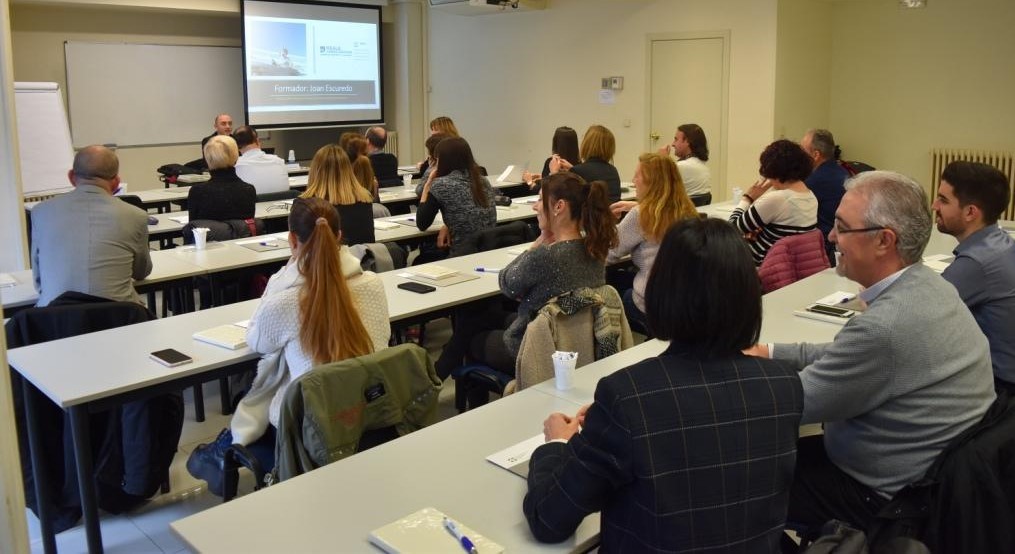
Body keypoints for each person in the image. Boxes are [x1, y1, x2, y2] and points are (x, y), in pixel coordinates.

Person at [524, 217, 804, 552]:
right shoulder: (784, 384)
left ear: (662, 291)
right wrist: (608, 425)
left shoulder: (628, 395)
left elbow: (549, 519)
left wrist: (558, 443)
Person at [747, 170, 995, 531]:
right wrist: (767, 351)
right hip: (926, 476)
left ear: (884, 240)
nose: (831, 236)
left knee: (743, 483)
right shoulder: (928, 286)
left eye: (842, 227)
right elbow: (843, 357)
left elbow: (791, 404)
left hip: (886, 498)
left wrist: (719, 387)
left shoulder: (885, 327)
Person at [187, 196, 390, 495]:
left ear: (292, 240)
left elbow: (257, 340)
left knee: (266, 379)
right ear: (339, 236)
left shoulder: (286, 300)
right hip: (368, 411)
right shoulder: (372, 283)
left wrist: (284, 275)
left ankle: (223, 447)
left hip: (308, 427)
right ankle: (223, 447)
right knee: (281, 367)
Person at [453, 172, 617, 376]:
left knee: (472, 338)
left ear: (559, 206)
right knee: (479, 319)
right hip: (578, 344)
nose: (535, 206)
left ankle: (448, 384)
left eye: (540, 200)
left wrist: (536, 244)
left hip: (535, 348)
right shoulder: (594, 249)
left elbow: (507, 283)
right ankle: (435, 374)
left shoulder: (546, 255)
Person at [30, 145, 152, 306]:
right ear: (116, 183)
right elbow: (141, 272)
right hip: (118, 315)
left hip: (55, 316)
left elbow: (38, 281)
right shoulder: (136, 215)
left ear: (71, 177)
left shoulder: (40, 212)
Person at [932, 160, 1015, 392]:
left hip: (999, 390)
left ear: (970, 212)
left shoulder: (976, 263)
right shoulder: (1001, 243)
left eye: (943, 200)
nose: (934, 205)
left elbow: (915, 314)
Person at [607, 152, 697, 331]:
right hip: (683, 303)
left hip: (650, 306)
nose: (633, 181)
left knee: (608, 282)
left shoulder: (641, 215)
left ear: (651, 182)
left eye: (637, 176)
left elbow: (608, 254)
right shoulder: (688, 210)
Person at [729, 139, 818, 265]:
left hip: (759, 264)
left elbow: (730, 231)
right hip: (789, 264)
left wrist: (748, 198)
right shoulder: (810, 196)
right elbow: (784, 230)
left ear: (773, 170)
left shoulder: (777, 199)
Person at [416, 136, 496, 257]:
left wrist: (428, 184)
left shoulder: (441, 185)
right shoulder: (482, 180)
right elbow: (470, 214)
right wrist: (447, 226)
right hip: (489, 251)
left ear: (443, 161)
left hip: (461, 255)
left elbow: (422, 223)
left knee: (420, 259)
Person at [301, 144, 375, 245]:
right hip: (361, 255)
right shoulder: (365, 198)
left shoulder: (304, 205)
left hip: (326, 255)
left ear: (314, 170)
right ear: (348, 169)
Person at [801, 128, 849, 260]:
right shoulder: (843, 173)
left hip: (824, 249)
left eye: (802, 150)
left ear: (816, 155)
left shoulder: (814, 181)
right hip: (843, 245)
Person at [187, 135, 256, 223]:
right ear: (236, 157)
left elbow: (193, 227)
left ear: (207, 159)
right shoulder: (248, 190)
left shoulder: (197, 191)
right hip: (239, 232)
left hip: (209, 232)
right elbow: (248, 226)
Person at [556, 125, 622, 202]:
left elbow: (563, 199)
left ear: (586, 144)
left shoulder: (578, 171)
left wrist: (554, 173)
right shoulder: (613, 171)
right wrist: (573, 169)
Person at [663, 123, 712, 206]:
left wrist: (661, 159)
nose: (673, 144)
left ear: (687, 141)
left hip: (677, 212)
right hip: (694, 212)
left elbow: (653, 186)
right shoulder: (703, 167)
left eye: (676, 139)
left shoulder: (681, 166)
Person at [233, 125, 289, 196]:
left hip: (254, 203)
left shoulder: (236, 166)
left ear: (236, 146)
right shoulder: (280, 162)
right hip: (283, 203)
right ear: (258, 141)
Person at [523, 126, 580, 191]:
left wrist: (530, 182)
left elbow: (543, 191)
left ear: (555, 142)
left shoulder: (551, 162)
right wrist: (542, 176)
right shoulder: (580, 165)